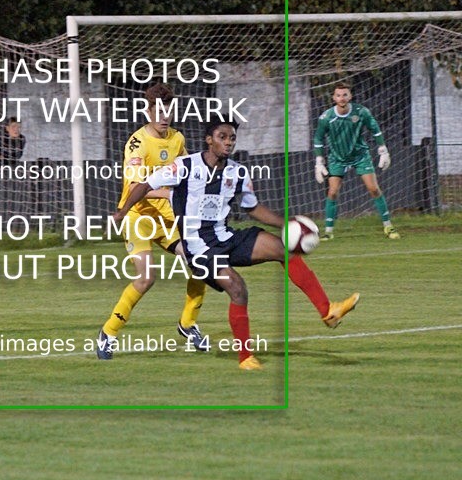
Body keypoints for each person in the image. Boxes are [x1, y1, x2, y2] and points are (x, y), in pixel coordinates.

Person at [112, 118, 360, 370]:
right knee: (238, 289)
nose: (228, 142)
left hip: (226, 237)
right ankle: (245, 358)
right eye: (222, 137)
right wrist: (122, 212)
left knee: (284, 250)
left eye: (232, 138)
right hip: (199, 248)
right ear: (209, 140)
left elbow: (251, 207)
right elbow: (144, 185)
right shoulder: (185, 166)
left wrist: (285, 224)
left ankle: (328, 310)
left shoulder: (237, 172)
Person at [96, 83, 208, 360]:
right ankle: (108, 332)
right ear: (148, 111)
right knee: (146, 278)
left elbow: (187, 171)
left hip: (167, 218)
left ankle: (188, 324)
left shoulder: (178, 139)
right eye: (158, 109)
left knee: (201, 262)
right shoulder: (137, 143)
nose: (163, 115)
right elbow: (137, 184)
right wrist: (171, 193)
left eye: (167, 109)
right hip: (138, 216)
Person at [313, 82, 400, 240]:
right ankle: (328, 232)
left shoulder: (361, 112)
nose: (342, 98)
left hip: (360, 155)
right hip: (337, 158)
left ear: (350, 96)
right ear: (334, 97)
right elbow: (318, 138)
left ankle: (388, 226)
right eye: (338, 95)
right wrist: (319, 161)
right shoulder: (326, 117)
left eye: (345, 94)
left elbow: (375, 129)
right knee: (332, 192)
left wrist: (383, 150)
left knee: (373, 189)